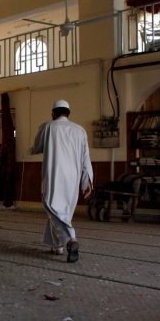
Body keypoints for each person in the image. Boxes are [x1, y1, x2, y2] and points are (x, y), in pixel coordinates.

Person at [30, 99, 93, 262]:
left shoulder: (48, 127)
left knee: (52, 207)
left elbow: (37, 147)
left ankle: (70, 240)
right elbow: (86, 158)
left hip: (54, 174)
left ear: (53, 113)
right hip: (73, 176)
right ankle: (57, 246)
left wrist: (31, 150)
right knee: (63, 211)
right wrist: (86, 181)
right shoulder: (80, 130)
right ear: (68, 113)